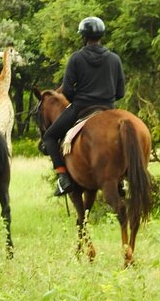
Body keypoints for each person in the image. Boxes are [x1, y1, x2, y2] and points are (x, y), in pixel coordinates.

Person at [43, 16, 125, 196]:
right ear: (102, 35)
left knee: (49, 137)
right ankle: (121, 179)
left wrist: (77, 99)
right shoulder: (114, 59)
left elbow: (67, 90)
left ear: (83, 37)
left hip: (81, 107)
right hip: (108, 108)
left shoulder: (76, 58)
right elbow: (120, 93)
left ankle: (63, 179)